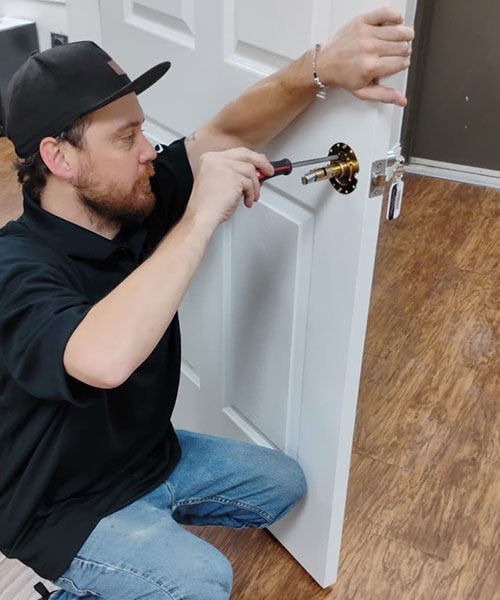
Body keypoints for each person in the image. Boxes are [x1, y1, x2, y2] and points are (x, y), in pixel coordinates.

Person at [0, 7, 414, 600]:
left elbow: (223, 132)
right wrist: (199, 216)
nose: (149, 149)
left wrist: (320, 68)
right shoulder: (15, 269)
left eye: (142, 129)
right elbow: (100, 359)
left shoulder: (128, 201)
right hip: (61, 509)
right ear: (59, 158)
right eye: (126, 137)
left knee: (283, 485)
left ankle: (146, 531)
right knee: (203, 582)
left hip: (148, 460)